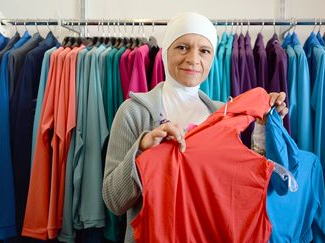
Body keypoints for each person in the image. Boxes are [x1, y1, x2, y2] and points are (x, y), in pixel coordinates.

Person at [102, 12, 288, 242]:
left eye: (204, 50)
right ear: (164, 52)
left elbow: (244, 188)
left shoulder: (222, 114)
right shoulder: (134, 112)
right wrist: (142, 148)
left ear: (212, 59)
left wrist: (263, 127)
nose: (193, 58)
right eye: (182, 47)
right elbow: (113, 201)